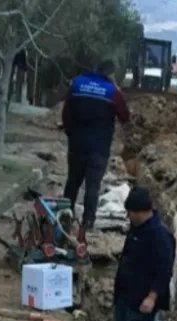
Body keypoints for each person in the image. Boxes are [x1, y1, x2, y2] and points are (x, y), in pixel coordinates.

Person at [113, 187, 176, 321]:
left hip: (141, 300)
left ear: (141, 211)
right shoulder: (137, 228)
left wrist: (152, 297)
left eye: (130, 212)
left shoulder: (160, 235)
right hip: (125, 294)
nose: (128, 217)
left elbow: (165, 270)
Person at [61, 60, 131, 229]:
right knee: (93, 186)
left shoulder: (77, 84)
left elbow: (66, 114)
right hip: (99, 148)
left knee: (72, 182)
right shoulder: (112, 92)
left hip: (77, 144)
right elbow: (125, 116)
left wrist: (71, 134)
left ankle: (64, 218)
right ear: (111, 74)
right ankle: (87, 222)